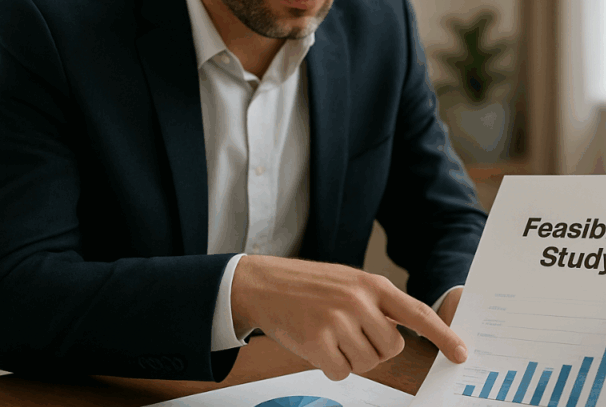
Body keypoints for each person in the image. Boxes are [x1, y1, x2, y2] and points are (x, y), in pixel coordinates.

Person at [0, 0, 485, 382]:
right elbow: (18, 289)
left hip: (313, 404)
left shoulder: (382, 23)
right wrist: (239, 290)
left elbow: (444, 219)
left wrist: (466, 296)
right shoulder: (44, 22)